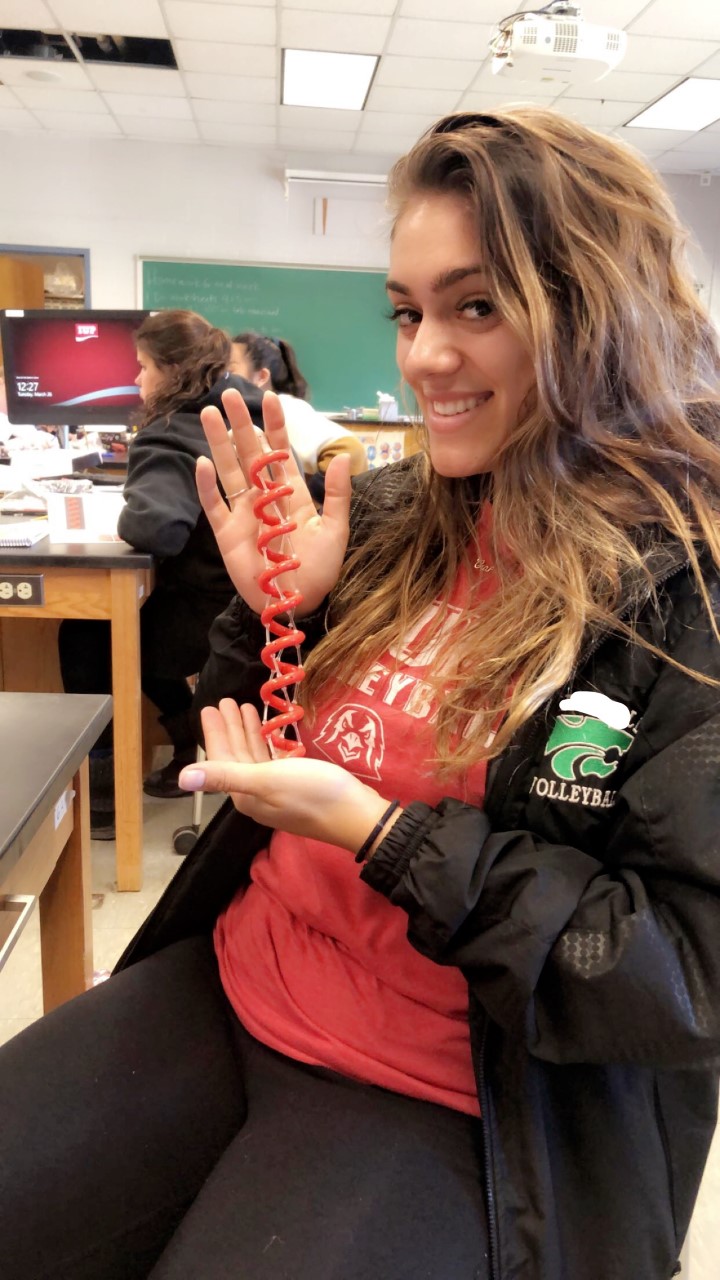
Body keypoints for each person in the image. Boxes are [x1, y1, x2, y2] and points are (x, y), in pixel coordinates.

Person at [2, 107, 720, 1280]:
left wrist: (387, 836)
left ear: (599, 312)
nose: (425, 353)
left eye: (477, 305)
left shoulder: (688, 594)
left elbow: (682, 973)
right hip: (235, 976)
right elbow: (262, 731)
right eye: (409, 308)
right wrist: (274, 612)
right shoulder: (393, 513)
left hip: (447, 1088)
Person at [58, 309, 263, 829]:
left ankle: (102, 791)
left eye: (143, 367)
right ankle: (186, 745)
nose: (136, 379)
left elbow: (157, 530)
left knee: (84, 633)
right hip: (255, 605)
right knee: (133, 632)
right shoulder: (243, 414)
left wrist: (125, 514)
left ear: (172, 372)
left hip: (207, 619)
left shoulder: (168, 433)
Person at [229, 330, 366, 498]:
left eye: (230, 370)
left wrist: (312, 498)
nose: (222, 377)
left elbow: (352, 450)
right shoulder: (248, 413)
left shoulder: (285, 408)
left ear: (262, 377)